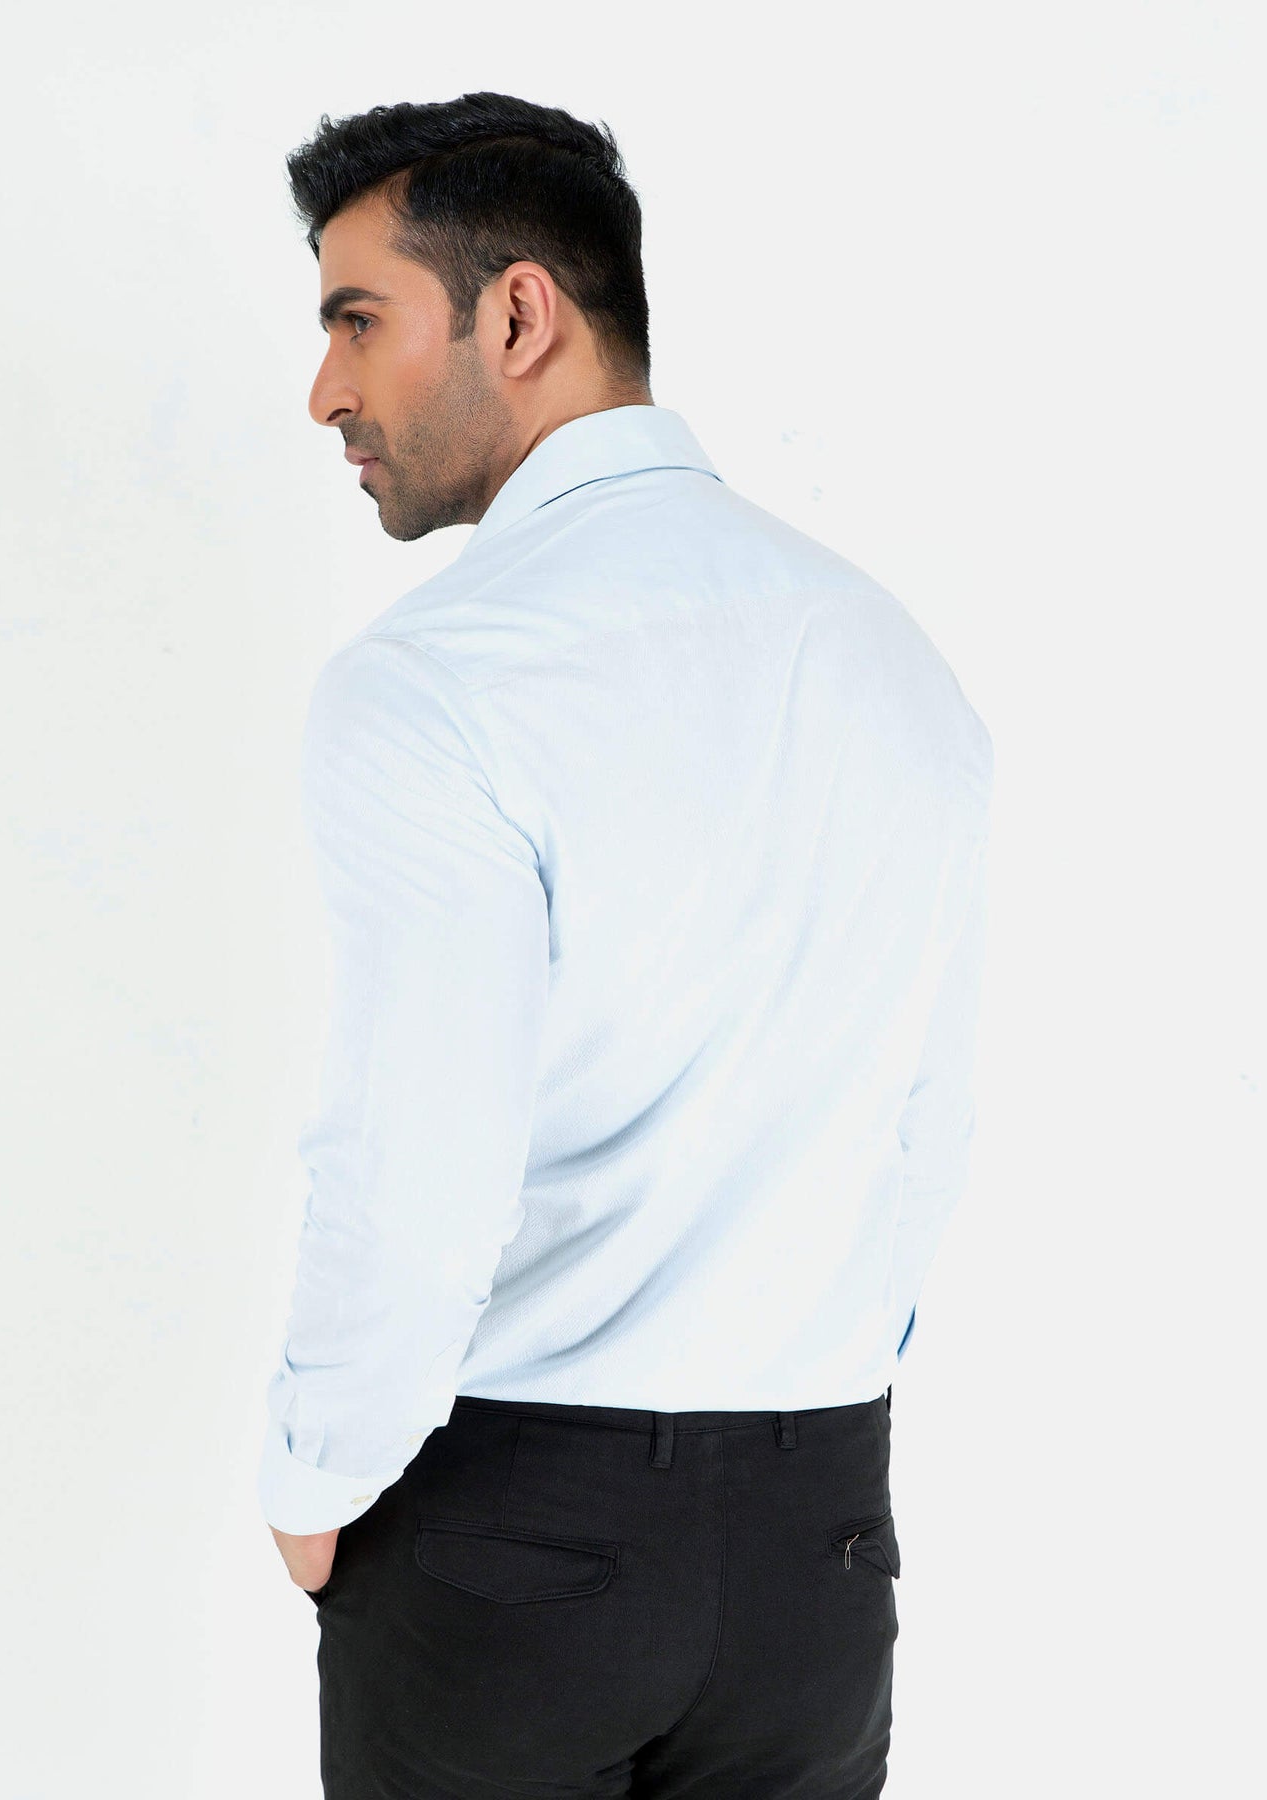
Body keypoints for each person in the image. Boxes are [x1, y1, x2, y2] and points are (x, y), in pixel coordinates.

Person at [257, 90, 994, 1799]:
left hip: (510, 1536)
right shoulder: (885, 653)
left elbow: (414, 1150)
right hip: (819, 1550)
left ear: (518, 314)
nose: (325, 392)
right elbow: (927, 1118)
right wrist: (806, 1396)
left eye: (356, 321)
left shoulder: (438, 679)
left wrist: (314, 1478)